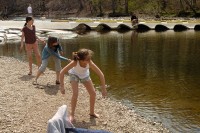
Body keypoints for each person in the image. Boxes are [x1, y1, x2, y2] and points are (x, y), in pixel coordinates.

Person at [60, 48, 107, 122]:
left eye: (89, 59)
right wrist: (62, 86)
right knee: (75, 94)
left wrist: (103, 89)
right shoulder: (75, 62)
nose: (89, 61)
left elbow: (101, 75)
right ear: (80, 60)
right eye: (87, 59)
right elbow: (62, 72)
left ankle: (92, 112)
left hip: (84, 75)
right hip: (74, 74)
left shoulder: (90, 63)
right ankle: (72, 114)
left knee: (93, 93)